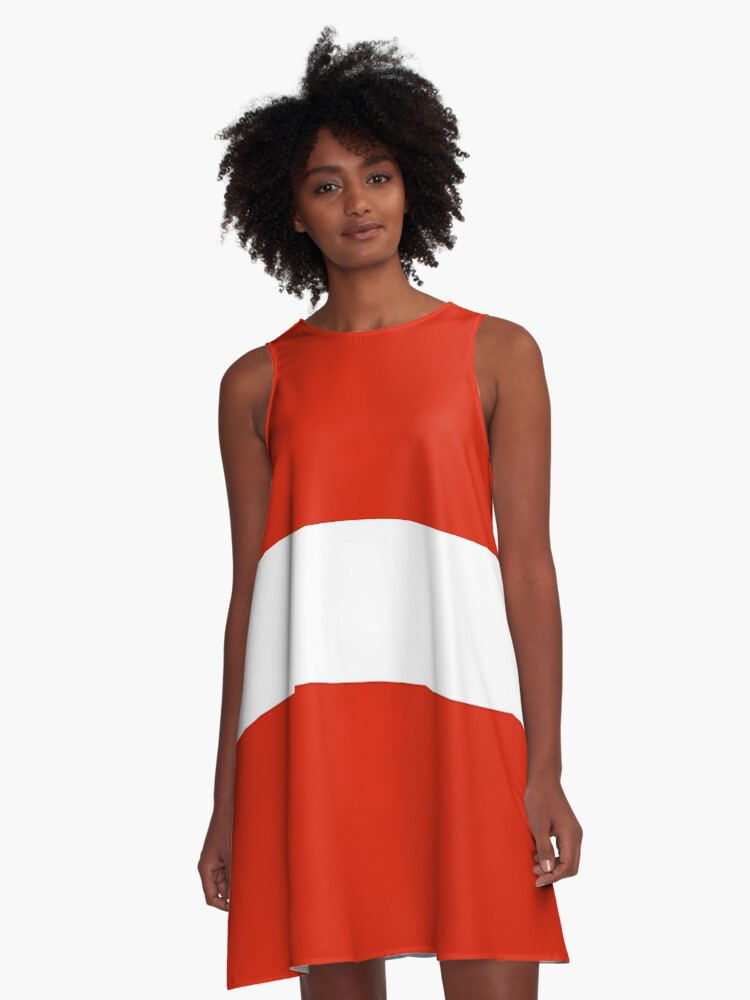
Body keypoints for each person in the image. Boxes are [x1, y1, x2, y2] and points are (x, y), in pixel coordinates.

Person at [198, 25, 583, 1000]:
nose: (358, 203)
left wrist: (545, 765)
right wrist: (227, 800)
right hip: (315, 732)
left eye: (376, 176)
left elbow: (527, 567)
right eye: (327, 185)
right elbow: (249, 597)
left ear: (413, 185)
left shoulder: (499, 353)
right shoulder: (256, 384)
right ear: (292, 211)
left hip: (464, 718)